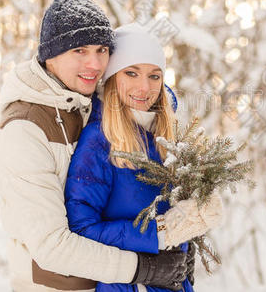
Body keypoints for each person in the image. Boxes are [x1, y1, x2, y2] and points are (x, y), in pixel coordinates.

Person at [0, 0, 188, 291]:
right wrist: (145, 267)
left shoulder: (86, 99)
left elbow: (142, 89)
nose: (94, 64)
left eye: (101, 50)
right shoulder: (23, 131)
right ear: (50, 54)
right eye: (78, 51)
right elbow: (52, 245)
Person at [64, 24, 224, 292]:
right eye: (131, 73)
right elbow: (81, 228)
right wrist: (160, 233)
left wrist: (196, 216)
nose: (144, 87)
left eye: (154, 76)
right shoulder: (98, 140)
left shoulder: (165, 137)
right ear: (113, 77)